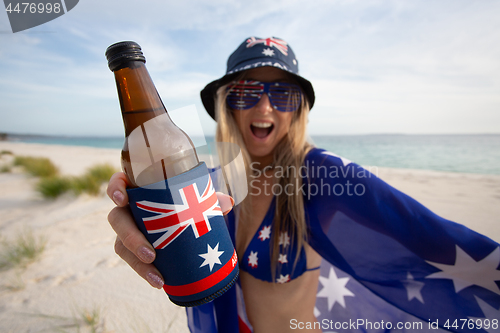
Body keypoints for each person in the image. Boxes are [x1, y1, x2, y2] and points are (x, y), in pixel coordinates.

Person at [107, 37, 500, 333]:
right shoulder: (206, 189)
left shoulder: (323, 176)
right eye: (246, 92)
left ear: (299, 109)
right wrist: (142, 237)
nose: (264, 107)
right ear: (226, 104)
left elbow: (425, 235)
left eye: (282, 93)